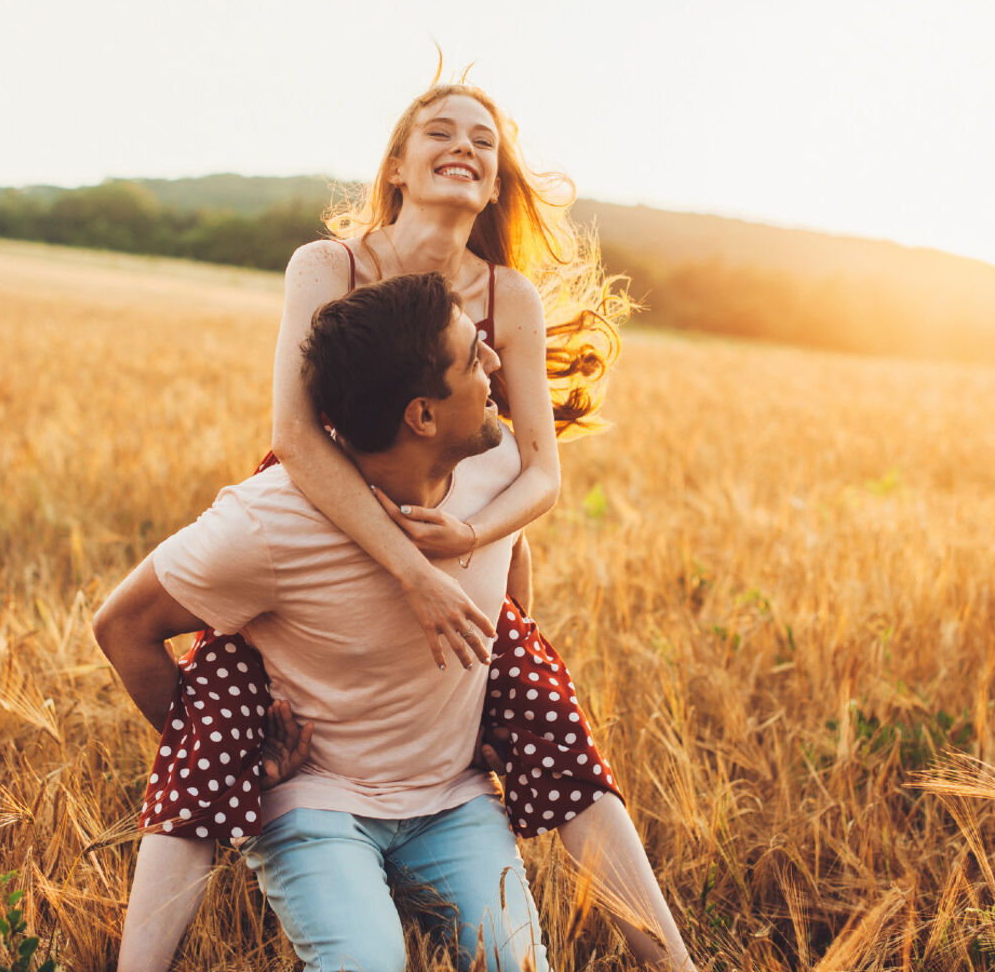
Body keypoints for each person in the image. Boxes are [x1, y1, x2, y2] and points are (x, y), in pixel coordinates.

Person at [118, 77, 694, 970]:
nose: (466, 145)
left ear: (499, 179)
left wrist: (466, 556)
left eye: (485, 139)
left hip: (456, 508)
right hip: (325, 501)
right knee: (226, 699)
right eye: (440, 131)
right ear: (397, 163)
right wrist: (412, 571)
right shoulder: (329, 266)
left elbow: (538, 471)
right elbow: (298, 440)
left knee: (535, 696)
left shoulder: (508, 301)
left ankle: (669, 960)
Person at [96, 273, 550, 971]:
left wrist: (497, 710)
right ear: (421, 416)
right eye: (471, 357)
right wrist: (237, 765)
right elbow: (122, 625)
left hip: (456, 797)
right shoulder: (267, 523)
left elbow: (512, 564)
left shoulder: (497, 468)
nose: (495, 363)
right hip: (318, 800)